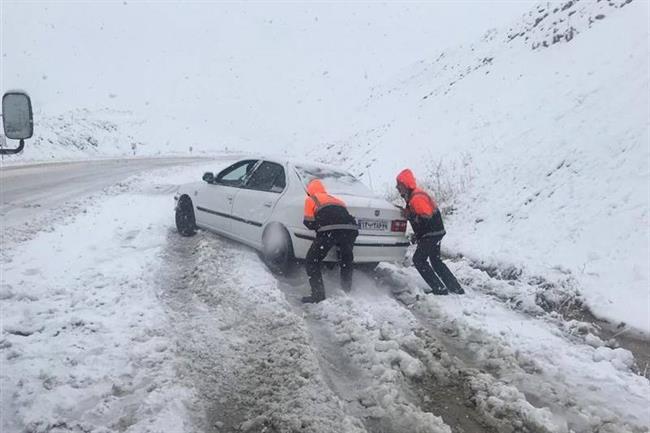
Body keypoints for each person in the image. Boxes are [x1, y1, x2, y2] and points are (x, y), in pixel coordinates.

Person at [396, 168, 464, 295]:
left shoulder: (416, 198)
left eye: (399, 185)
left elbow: (425, 217)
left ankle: (439, 289)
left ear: (406, 184)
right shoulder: (413, 196)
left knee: (419, 260)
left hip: (431, 234)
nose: (397, 188)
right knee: (436, 261)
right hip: (435, 232)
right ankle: (455, 288)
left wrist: (409, 215)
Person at [302, 179, 359, 303]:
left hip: (330, 230)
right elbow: (342, 218)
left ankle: (318, 295)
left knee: (312, 261)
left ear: (310, 191)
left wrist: (320, 228)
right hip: (351, 230)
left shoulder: (311, 199)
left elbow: (308, 222)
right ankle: (347, 292)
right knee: (346, 260)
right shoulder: (337, 200)